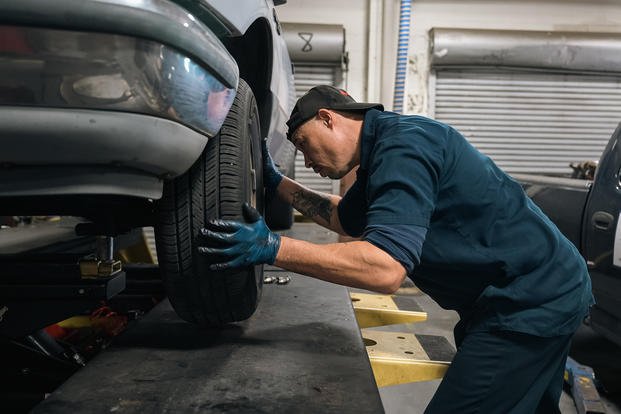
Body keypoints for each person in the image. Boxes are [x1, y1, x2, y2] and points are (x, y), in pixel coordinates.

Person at [197, 85, 594, 413]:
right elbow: (341, 219)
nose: (306, 159)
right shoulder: (376, 160)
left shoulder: (404, 147)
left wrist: (273, 247)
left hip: (531, 300)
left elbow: (384, 270)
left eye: (303, 143)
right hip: (536, 287)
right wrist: (277, 183)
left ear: (328, 118)